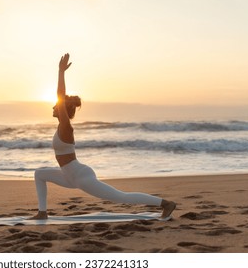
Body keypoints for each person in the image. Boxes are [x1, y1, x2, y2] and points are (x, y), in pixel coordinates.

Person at [30, 53, 176, 220]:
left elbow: (60, 97)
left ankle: (166, 203)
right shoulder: (60, 127)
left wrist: (61, 72)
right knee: (39, 174)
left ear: (62, 109)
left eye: (55, 106)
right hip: (68, 175)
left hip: (80, 176)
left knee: (121, 197)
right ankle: (42, 213)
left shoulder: (66, 126)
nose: (52, 108)